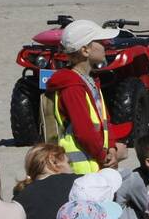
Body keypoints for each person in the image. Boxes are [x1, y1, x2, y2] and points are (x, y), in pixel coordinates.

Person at [45, 20, 127, 173]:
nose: (106, 44)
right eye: (100, 42)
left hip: (96, 163)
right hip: (82, 169)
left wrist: (112, 148)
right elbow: (84, 131)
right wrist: (103, 157)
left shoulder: (90, 81)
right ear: (85, 50)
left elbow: (105, 121)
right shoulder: (72, 86)